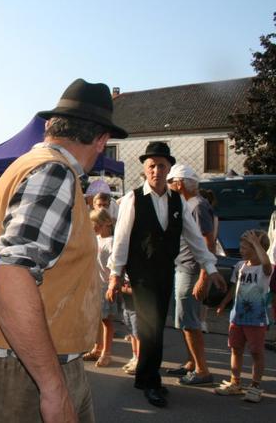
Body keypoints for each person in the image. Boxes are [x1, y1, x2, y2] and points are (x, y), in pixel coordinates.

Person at [0, 78, 128, 422]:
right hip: (23, 374)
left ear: (51, 127)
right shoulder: (54, 173)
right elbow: (9, 273)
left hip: (25, 364)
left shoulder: (28, 166)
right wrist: (53, 388)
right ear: (101, 140)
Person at [106, 141, 226, 408]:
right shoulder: (132, 198)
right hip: (141, 273)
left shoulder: (177, 201)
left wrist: (211, 267)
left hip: (164, 271)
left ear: (169, 169)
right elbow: (121, 240)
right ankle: (151, 382)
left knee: (156, 325)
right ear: (145, 169)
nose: (156, 170)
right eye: (151, 166)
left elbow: (195, 238)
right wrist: (115, 275)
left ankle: (144, 377)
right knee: (151, 328)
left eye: (161, 165)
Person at [164, 164, 217, 386]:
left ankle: (202, 369)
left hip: (191, 270)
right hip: (184, 267)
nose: (168, 186)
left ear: (180, 183)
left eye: (170, 182)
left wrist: (204, 276)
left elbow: (208, 242)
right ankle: (191, 363)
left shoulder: (196, 205)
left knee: (190, 321)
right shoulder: (189, 204)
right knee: (185, 320)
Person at [214, 230, 272, 402]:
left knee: (256, 352)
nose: (241, 250)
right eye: (241, 246)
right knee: (236, 349)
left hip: (256, 319)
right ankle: (235, 382)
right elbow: (234, 288)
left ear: (258, 249)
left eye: (246, 247)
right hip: (237, 317)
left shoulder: (264, 269)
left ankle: (255, 386)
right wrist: (224, 303)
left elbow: (267, 264)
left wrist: (256, 242)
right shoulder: (240, 266)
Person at [87, 208, 117, 368]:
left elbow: (113, 264)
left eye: (94, 223)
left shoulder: (111, 241)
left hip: (105, 285)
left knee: (106, 321)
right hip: (95, 285)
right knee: (98, 319)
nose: (92, 226)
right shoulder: (97, 239)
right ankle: (97, 348)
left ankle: (106, 352)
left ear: (103, 224)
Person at [120, 277, 139, 375]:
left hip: (137, 307)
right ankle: (135, 357)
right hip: (127, 305)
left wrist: (123, 289)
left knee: (138, 334)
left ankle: (140, 360)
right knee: (132, 333)